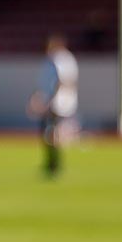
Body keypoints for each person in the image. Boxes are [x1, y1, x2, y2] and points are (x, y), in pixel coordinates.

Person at [30, 33, 79, 179]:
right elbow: (45, 84)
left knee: (52, 134)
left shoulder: (62, 60)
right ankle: (51, 163)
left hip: (58, 104)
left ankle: (55, 164)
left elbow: (62, 81)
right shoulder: (51, 60)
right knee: (48, 134)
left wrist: (49, 101)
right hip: (52, 102)